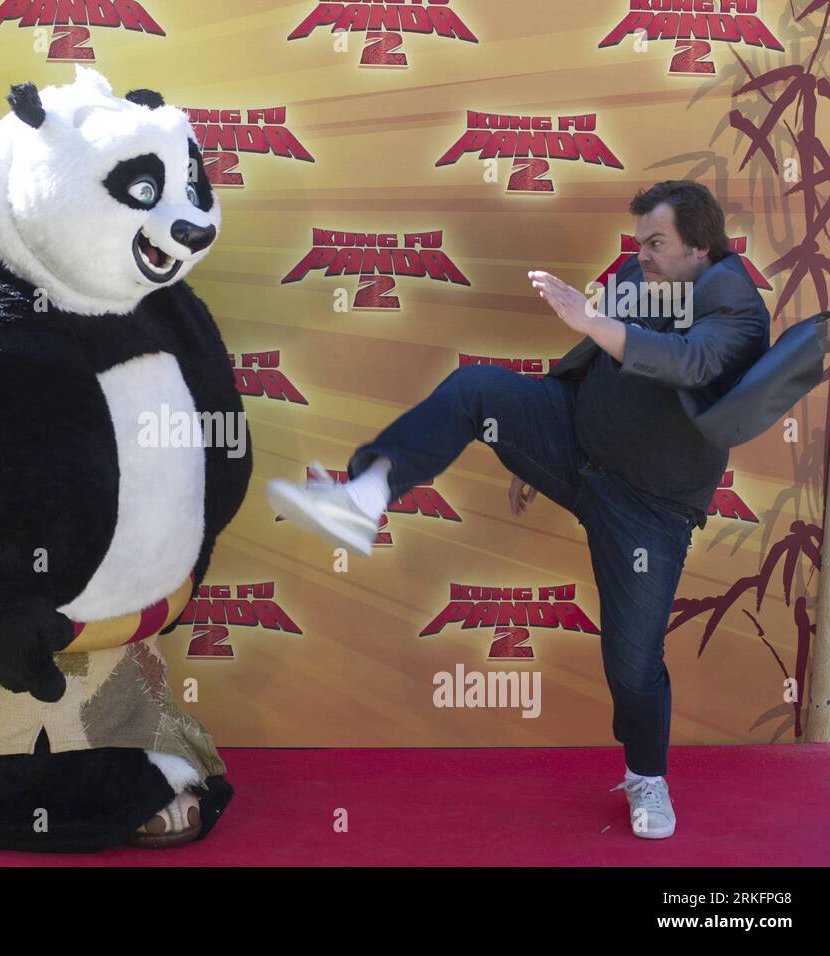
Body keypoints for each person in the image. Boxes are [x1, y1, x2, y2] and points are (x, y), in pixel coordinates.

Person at [266, 180, 771, 840]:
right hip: (574, 444)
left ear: (700, 248)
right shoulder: (637, 272)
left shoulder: (736, 304)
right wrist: (533, 438)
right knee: (478, 388)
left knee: (633, 661)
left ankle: (647, 778)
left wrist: (589, 319)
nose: (641, 255)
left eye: (657, 244)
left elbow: (689, 361)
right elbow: (595, 357)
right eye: (639, 240)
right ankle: (363, 497)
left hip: (647, 509)